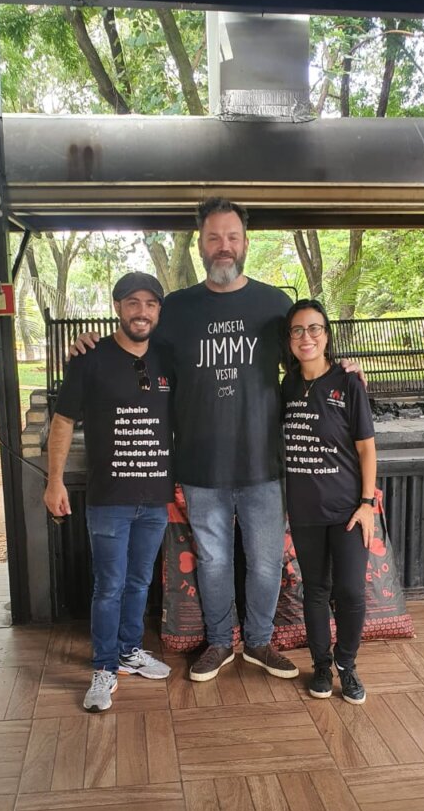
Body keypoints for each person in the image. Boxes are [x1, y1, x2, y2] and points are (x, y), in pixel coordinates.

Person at [72, 198, 363, 685]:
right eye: (213, 238)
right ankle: (219, 641)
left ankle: (259, 642)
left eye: (231, 237)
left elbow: (308, 356)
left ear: (245, 243)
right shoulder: (177, 308)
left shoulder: (274, 304)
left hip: (264, 465)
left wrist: (345, 367)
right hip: (200, 465)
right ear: (201, 245)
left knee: (266, 562)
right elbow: (134, 340)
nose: (223, 246)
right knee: (213, 562)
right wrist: (90, 345)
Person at [44, 271, 174, 712]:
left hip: (155, 499)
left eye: (150, 304)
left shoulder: (168, 358)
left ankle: (129, 651)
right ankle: (103, 667)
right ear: (118, 307)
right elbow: (63, 421)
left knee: (139, 581)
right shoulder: (90, 357)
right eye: (133, 302)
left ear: (159, 311)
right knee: (109, 586)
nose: (142, 311)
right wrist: (54, 480)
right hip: (109, 500)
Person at [282, 298, 377, 704]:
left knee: (351, 592)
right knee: (316, 591)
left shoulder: (348, 381)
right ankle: (321, 665)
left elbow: (366, 448)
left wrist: (367, 502)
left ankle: (346, 664)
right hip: (304, 511)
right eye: (298, 330)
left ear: (326, 335)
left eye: (314, 328)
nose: (306, 337)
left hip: (348, 511)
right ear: (289, 340)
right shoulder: (286, 386)